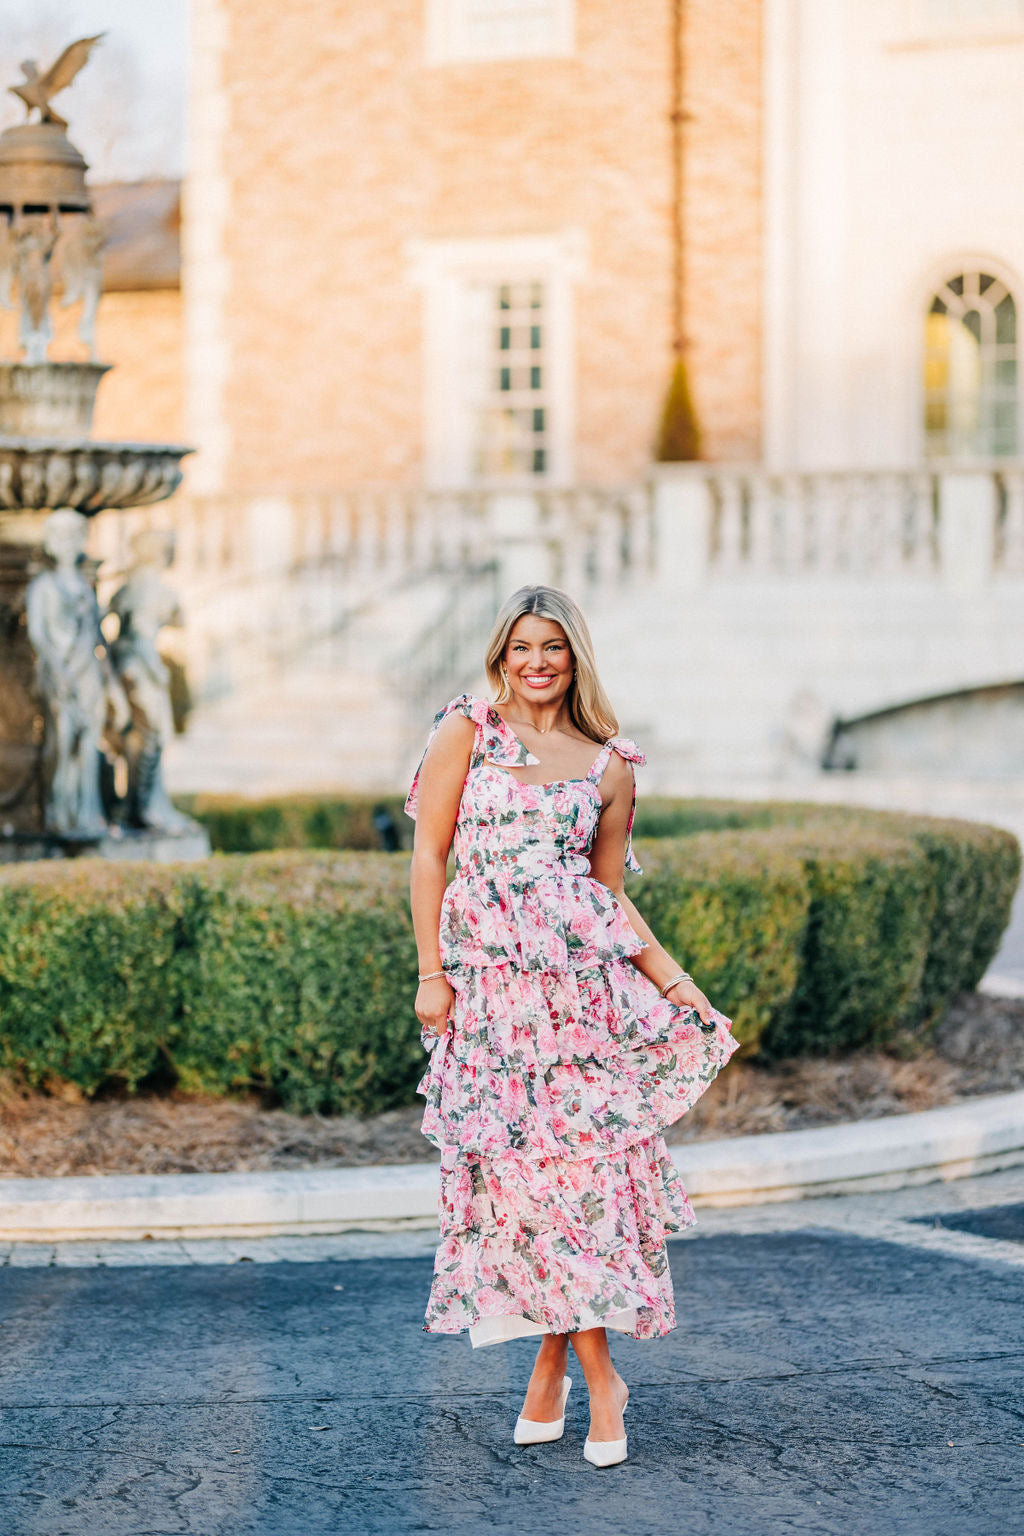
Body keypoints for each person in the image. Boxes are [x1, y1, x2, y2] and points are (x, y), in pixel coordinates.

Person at [405, 585, 739, 1468]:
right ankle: (596, 1377)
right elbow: (429, 854)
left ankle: (571, 1374)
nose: (537, 663)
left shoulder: (609, 763)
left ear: (575, 655)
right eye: (521, 648)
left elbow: (608, 898)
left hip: (580, 1009)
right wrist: (432, 974)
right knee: (521, 1193)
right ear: (500, 656)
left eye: (552, 647)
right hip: (490, 1006)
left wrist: (677, 983)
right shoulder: (467, 731)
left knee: (576, 1194)